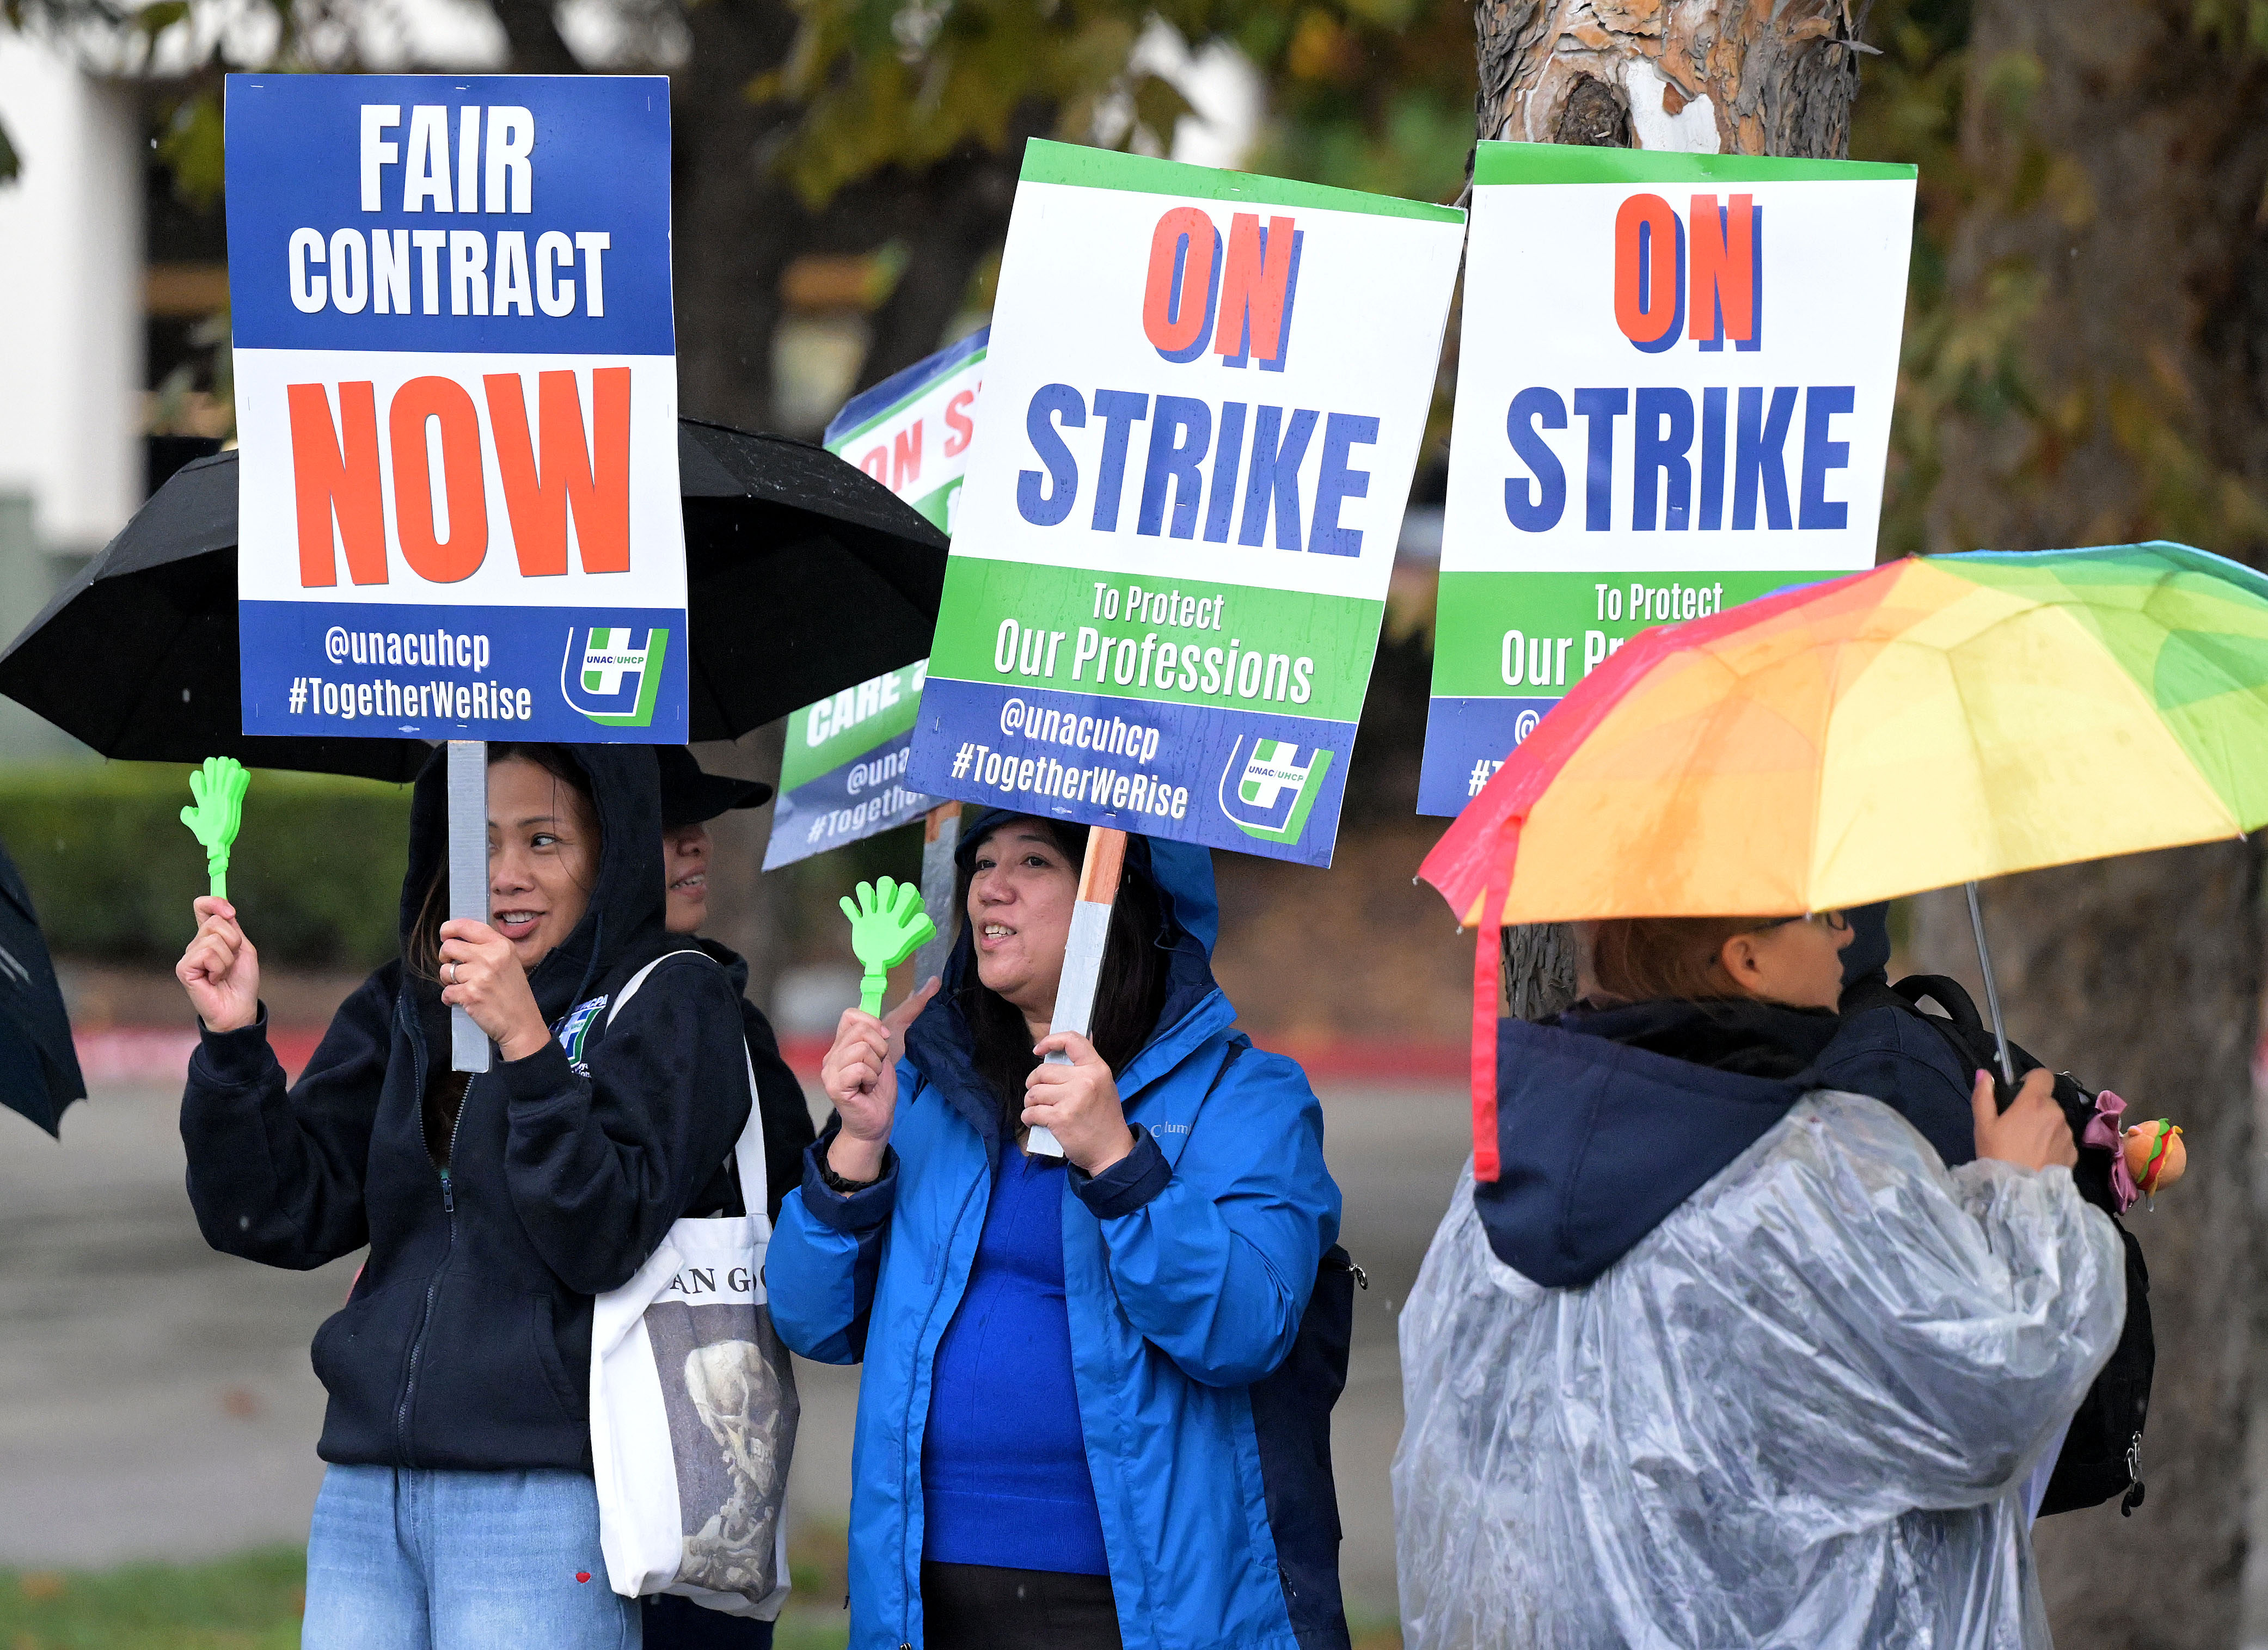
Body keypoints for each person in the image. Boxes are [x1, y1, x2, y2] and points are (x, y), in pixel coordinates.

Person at [1395, 910, 2124, 1649]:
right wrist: (2025, 1194)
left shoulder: (1505, 1168)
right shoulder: (1804, 1174)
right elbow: (1999, 1392)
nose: (1845, 933)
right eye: (1819, 914)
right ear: (1745, 958)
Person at [176, 744, 753, 1649]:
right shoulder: (405, 1002)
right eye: (480, 841)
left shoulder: (675, 998)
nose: (505, 874)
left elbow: (603, 1234)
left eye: (543, 840)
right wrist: (233, 1042)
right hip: (368, 1489)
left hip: (546, 1499)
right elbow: (279, 1214)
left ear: (610, 853)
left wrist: (527, 1045)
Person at [766, 810, 1347, 1650]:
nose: (990, 889)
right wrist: (856, 1144)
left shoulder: (1244, 1097)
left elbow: (1242, 1332)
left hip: (1139, 1608)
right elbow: (812, 1320)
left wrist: (1118, 1159)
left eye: (1034, 862)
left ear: (1120, 897)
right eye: (982, 863)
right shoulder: (924, 1089)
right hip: (925, 1596)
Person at [643, 748, 817, 1650]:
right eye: (663, 826)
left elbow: (799, 1221)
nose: (697, 844)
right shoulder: (499, 1016)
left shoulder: (724, 1018)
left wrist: (857, 1147)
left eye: (698, 826)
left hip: (685, 1501)